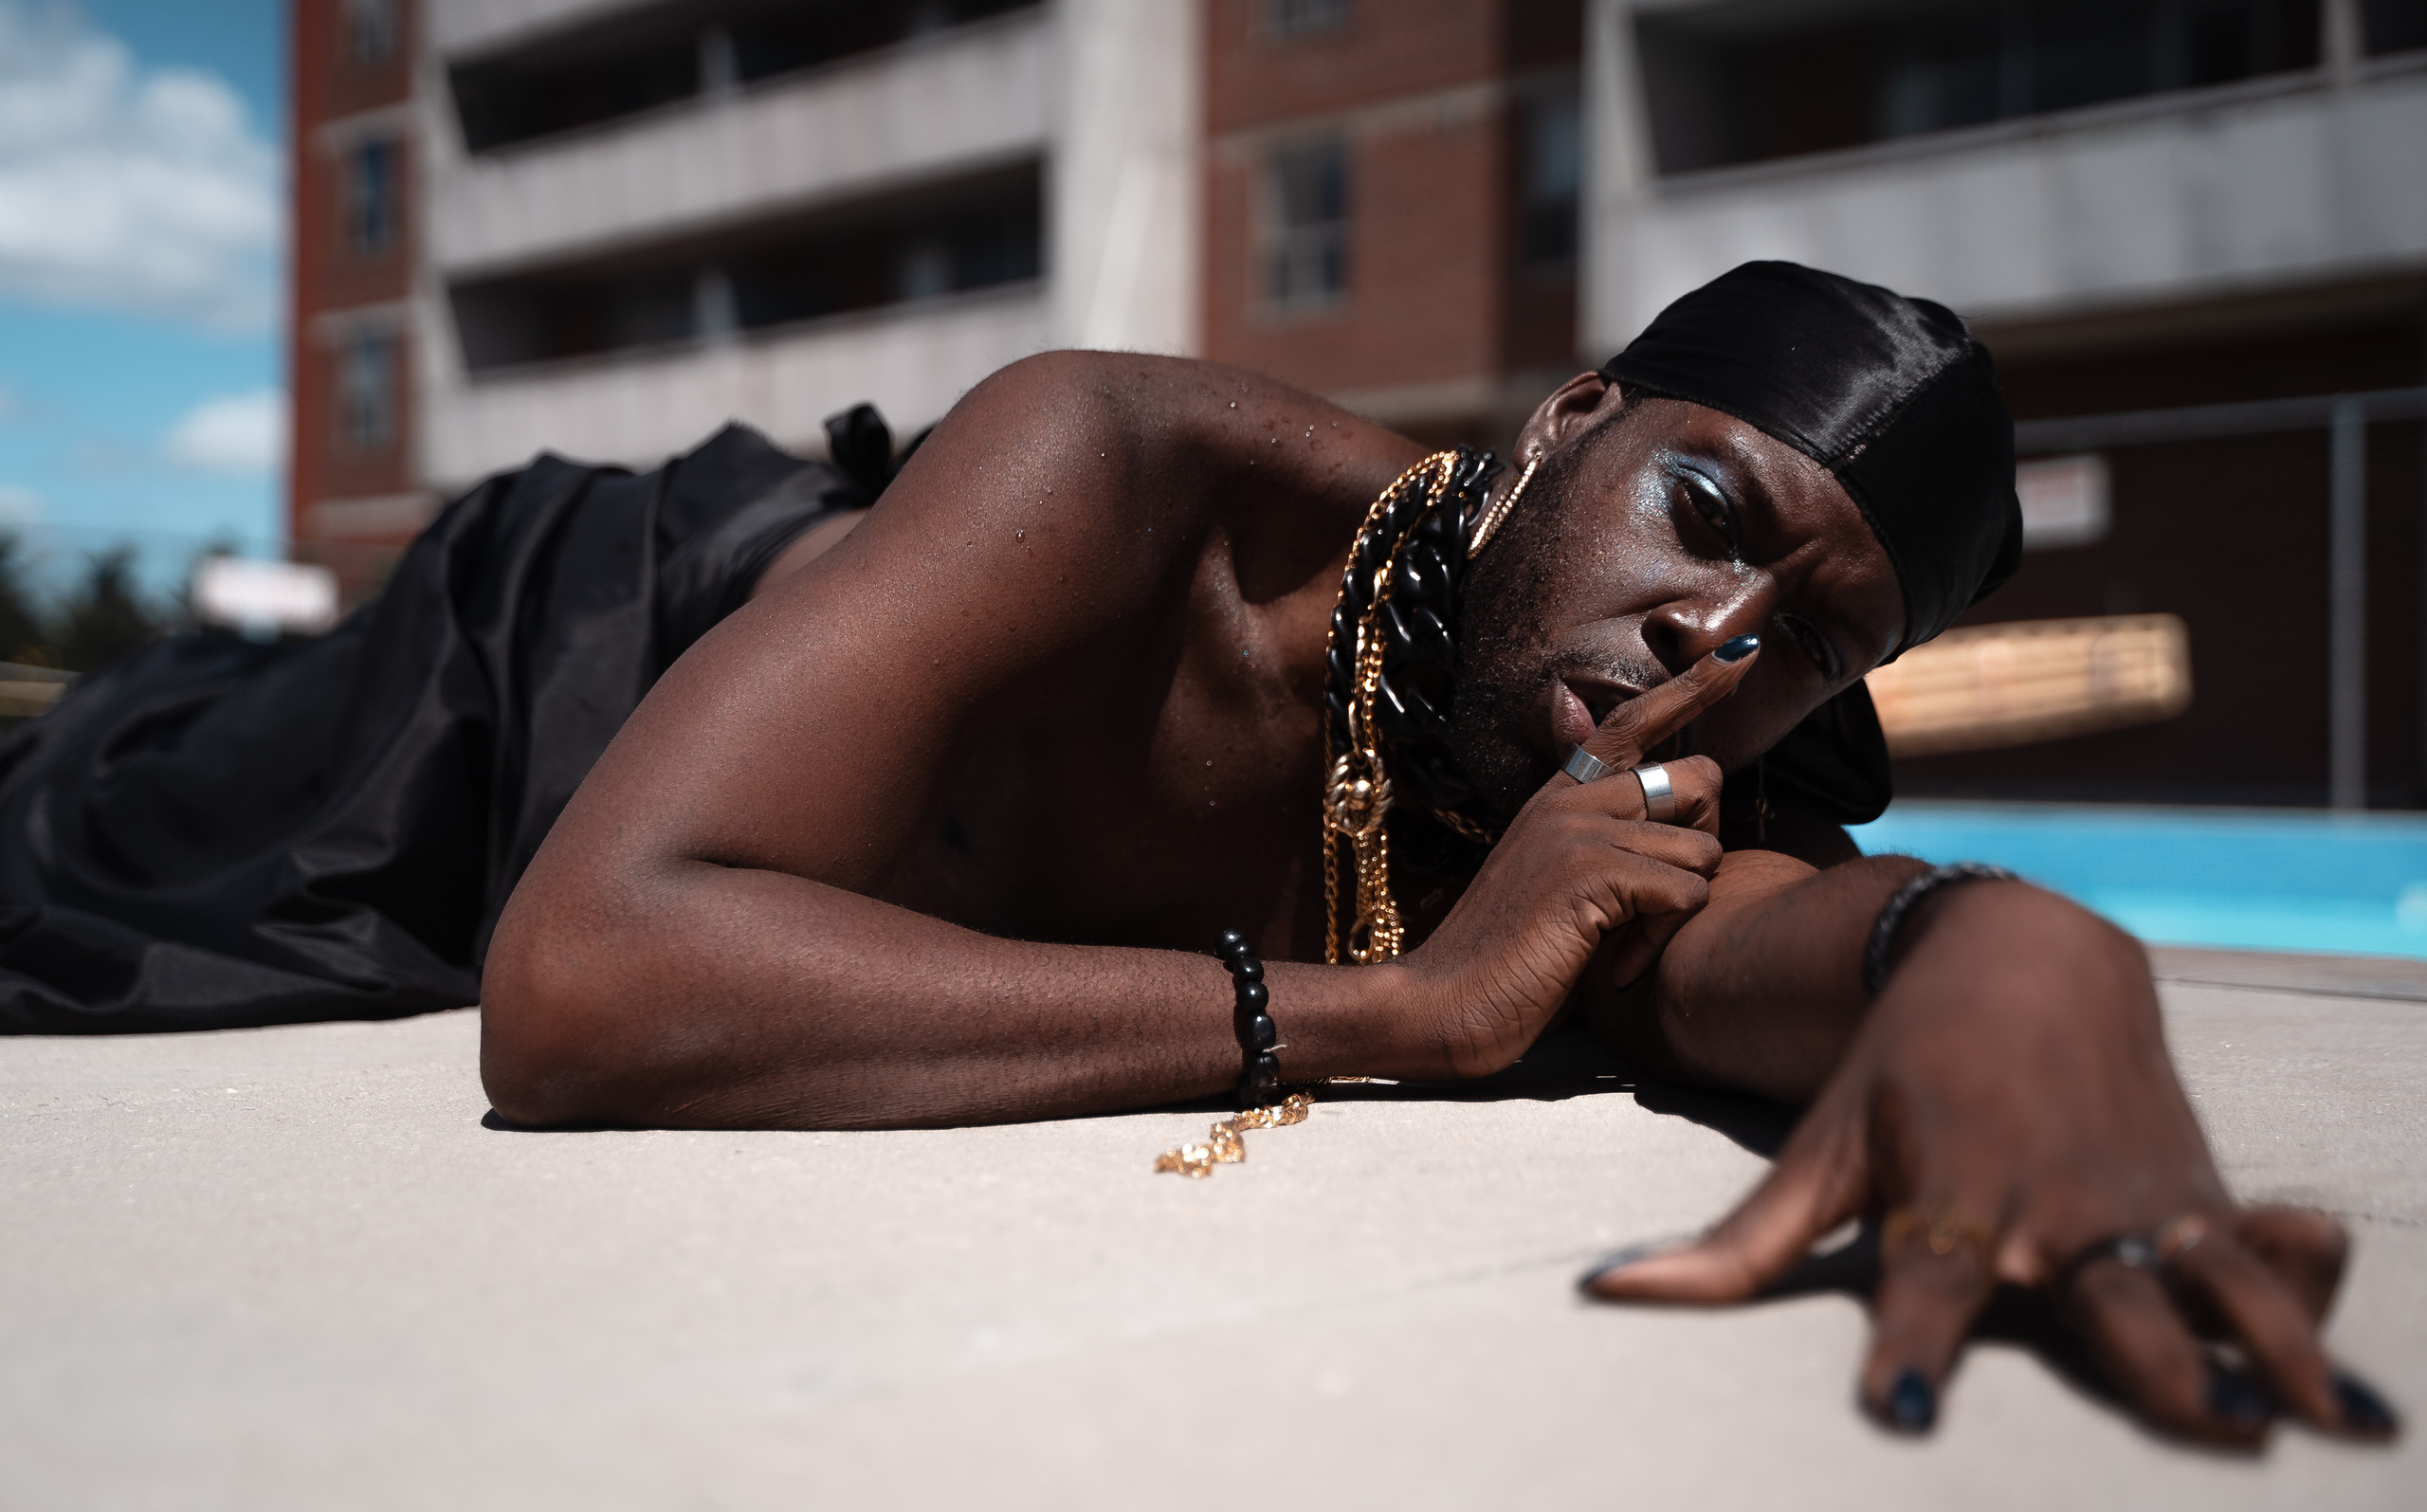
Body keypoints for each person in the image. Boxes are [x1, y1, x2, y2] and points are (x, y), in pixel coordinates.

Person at [0, 264, 2395, 1447]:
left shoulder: (1642, 780)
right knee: (86, 801)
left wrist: (2014, 959)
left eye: (1806, 641)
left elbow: (1808, 941)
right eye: (1702, 509)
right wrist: (1378, 1013)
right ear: (1564, 425)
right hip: (538, 659)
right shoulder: (1117, 473)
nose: (1714, 632)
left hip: (708, 812)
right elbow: (590, 988)